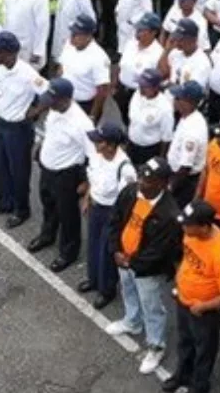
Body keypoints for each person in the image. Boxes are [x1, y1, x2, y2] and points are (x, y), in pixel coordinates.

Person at [106, 156, 182, 376]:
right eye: (142, 176)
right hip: (124, 257)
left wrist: (132, 262)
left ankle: (156, 345)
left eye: (148, 180)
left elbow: (160, 251)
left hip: (147, 269)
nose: (142, 182)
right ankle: (132, 321)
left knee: (152, 306)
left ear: (162, 183)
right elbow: (115, 219)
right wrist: (116, 250)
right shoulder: (130, 192)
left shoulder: (169, 213)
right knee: (128, 290)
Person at [163, 200, 220, 393]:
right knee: (184, 342)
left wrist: (203, 307)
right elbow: (187, 260)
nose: (183, 226)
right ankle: (182, 375)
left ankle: (199, 385)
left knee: (204, 350)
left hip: (203, 311)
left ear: (204, 227)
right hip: (183, 300)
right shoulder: (191, 234)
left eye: (188, 224)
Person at [0, 31, 47, 228]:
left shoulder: (27, 74)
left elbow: (50, 92)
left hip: (18, 129)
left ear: (11, 54)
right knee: (0, 167)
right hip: (1, 124)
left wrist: (36, 110)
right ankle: (5, 201)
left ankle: (21, 209)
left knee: (19, 171)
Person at [27, 77, 92, 271]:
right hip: (48, 169)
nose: (48, 102)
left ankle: (68, 252)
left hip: (66, 174)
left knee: (68, 215)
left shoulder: (81, 124)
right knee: (48, 204)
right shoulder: (55, 110)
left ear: (65, 100)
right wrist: (40, 147)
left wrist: (87, 184)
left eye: (52, 99)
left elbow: (93, 156)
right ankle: (47, 236)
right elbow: (50, 132)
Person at [79, 121, 136, 309]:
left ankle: (107, 289)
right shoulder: (98, 157)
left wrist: (118, 225)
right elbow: (93, 179)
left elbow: (126, 201)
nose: (96, 144)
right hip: (97, 207)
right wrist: (88, 198)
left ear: (111, 145)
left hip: (112, 213)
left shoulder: (125, 168)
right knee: (93, 245)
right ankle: (93, 279)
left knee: (106, 250)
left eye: (100, 141)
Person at [55, 15, 111, 123]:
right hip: (64, 100)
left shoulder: (98, 57)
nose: (72, 37)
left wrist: (93, 116)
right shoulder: (70, 44)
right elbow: (61, 68)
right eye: (72, 33)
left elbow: (102, 91)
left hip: (83, 106)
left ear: (89, 36)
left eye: (76, 34)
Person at [165, 80, 208, 206]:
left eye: (178, 98)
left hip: (183, 181)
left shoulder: (192, 131)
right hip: (177, 173)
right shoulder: (188, 117)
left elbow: (185, 167)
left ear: (189, 103)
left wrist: (171, 187)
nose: (174, 100)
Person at [125, 68, 175, 166]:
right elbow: (132, 120)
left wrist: (159, 161)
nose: (141, 88)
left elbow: (166, 138)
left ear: (156, 88)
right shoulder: (136, 95)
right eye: (140, 84)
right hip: (132, 145)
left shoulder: (164, 108)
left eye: (145, 86)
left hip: (149, 150)